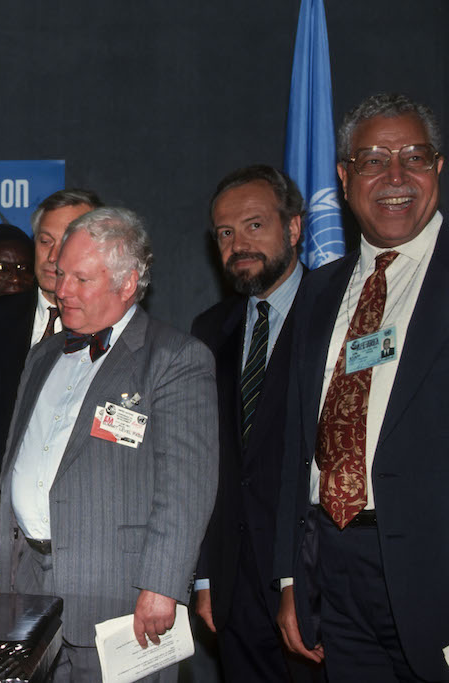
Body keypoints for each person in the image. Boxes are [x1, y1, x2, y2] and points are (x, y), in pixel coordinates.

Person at [0, 207, 218, 682]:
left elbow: (186, 488)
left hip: (120, 596)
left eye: (81, 279)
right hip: (26, 584)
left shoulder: (175, 359)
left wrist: (163, 586)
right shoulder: (42, 355)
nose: (61, 290)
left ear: (127, 283)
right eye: (59, 274)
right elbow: (15, 458)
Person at [275, 93, 449, 682]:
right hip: (334, 568)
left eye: (414, 157)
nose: (395, 176)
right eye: (374, 160)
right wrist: (292, 576)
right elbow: (296, 444)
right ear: (346, 179)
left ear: (439, 168)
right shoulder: (319, 291)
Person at [192, 166, 321, 682]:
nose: (238, 244)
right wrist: (204, 576)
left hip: (313, 579)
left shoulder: (336, 312)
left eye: (253, 226)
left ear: (292, 229)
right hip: (233, 585)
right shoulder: (209, 329)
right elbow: (205, 459)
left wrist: (299, 576)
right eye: (225, 233)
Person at [0, 189, 102, 554]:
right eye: (45, 241)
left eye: (68, 240)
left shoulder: (114, 329)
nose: (54, 256)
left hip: (79, 537)